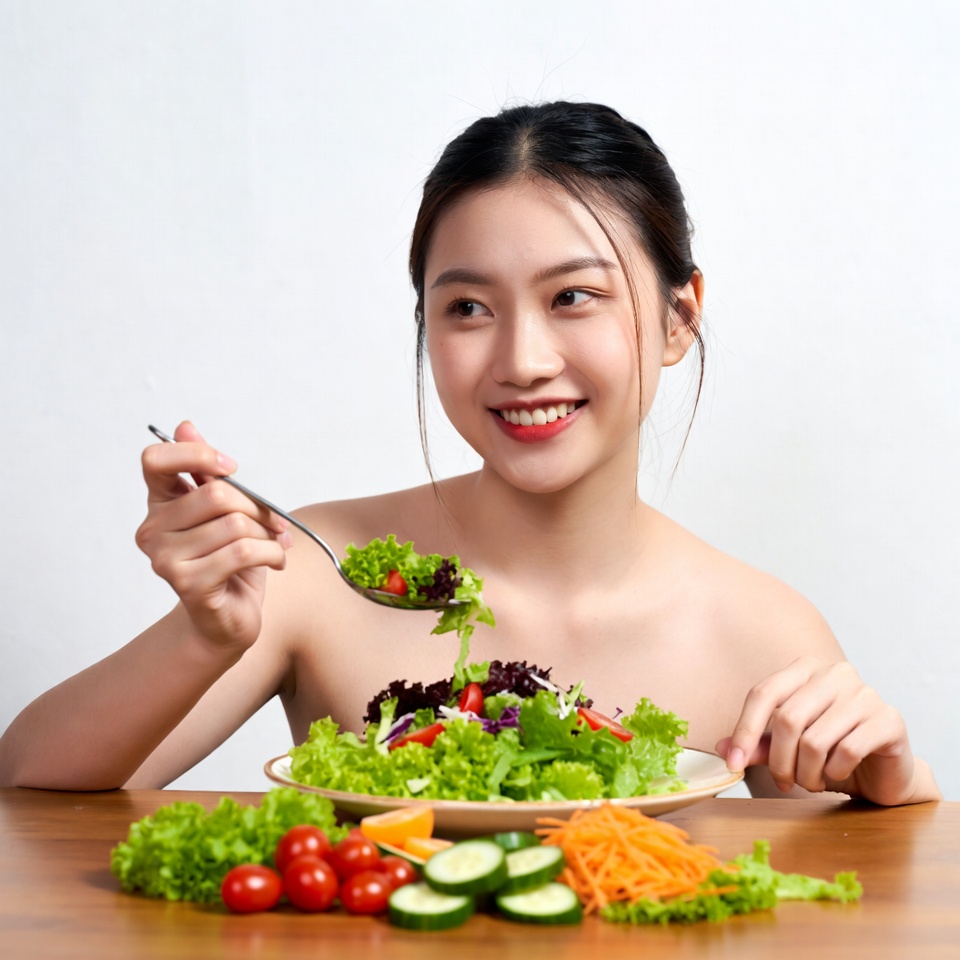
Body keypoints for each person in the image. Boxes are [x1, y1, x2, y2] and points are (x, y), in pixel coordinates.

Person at [0, 101, 940, 804]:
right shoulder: (314, 569)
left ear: (678, 317)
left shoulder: (763, 631)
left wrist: (896, 786)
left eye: (575, 296)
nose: (523, 361)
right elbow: (29, 783)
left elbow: (836, 899)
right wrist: (202, 636)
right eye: (467, 309)